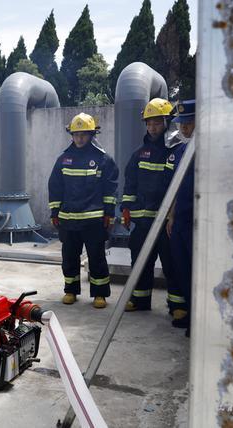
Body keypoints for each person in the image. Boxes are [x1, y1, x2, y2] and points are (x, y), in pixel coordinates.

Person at [121, 98, 184, 318]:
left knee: (171, 263)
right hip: (143, 221)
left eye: (157, 123)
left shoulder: (176, 151)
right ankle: (140, 299)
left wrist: (173, 216)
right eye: (149, 123)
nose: (152, 127)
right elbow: (130, 183)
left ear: (166, 122)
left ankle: (177, 305)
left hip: (167, 221)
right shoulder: (139, 153)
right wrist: (126, 208)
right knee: (140, 261)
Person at [48, 113, 119, 309]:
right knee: (69, 257)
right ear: (71, 134)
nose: (79, 138)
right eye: (76, 134)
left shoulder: (103, 160)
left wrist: (109, 214)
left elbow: (110, 189)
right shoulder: (63, 159)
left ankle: (100, 294)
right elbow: (55, 188)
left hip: (94, 220)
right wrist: (55, 213)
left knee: (96, 258)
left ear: (92, 134)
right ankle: (70, 291)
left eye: (83, 134)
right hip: (68, 220)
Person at [166, 100, 196, 335]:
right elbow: (176, 187)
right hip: (181, 221)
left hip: (198, 222)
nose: (184, 128)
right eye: (182, 124)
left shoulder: (210, 149)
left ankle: (199, 320)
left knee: (198, 271)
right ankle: (189, 312)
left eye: (188, 122)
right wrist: (171, 216)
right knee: (182, 268)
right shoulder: (184, 150)